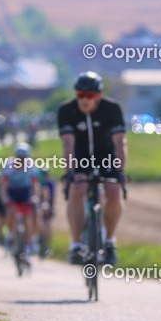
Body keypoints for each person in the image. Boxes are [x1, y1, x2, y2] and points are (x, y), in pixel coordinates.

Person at [58, 72, 127, 265]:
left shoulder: (112, 109)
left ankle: (109, 242)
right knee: (78, 188)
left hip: (106, 155)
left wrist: (120, 172)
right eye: (80, 94)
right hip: (81, 156)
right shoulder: (66, 110)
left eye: (89, 95)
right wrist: (70, 172)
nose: (84, 99)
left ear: (98, 95)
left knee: (113, 190)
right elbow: (68, 145)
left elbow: (120, 142)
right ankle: (76, 245)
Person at [2, 143, 41, 258]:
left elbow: (35, 184)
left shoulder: (31, 166)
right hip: (12, 192)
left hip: (25, 192)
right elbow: (3, 185)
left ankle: (28, 245)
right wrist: (5, 197)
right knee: (11, 213)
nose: (22, 161)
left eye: (24, 158)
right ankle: (10, 234)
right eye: (19, 158)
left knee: (27, 218)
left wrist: (35, 196)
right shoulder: (8, 165)